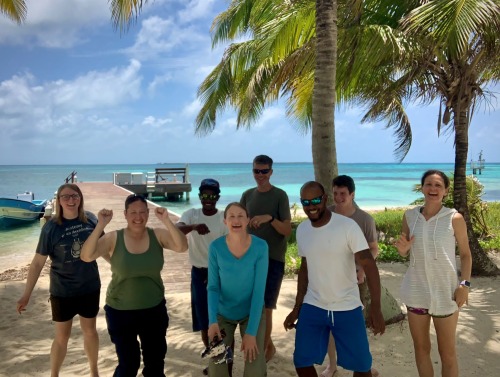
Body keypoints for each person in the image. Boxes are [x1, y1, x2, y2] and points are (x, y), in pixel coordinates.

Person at [284, 181, 385, 377]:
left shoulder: (347, 226)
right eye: (305, 201)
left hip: (347, 305)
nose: (311, 206)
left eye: (315, 200)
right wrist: (297, 308)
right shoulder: (303, 230)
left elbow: (369, 266)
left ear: (324, 199)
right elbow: (305, 269)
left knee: (363, 367)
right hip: (313, 305)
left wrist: (376, 307)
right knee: (301, 361)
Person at [80, 194, 188, 377]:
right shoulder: (114, 238)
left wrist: (166, 220)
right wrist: (100, 225)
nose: (138, 217)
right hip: (120, 312)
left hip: (153, 311)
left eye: (142, 212)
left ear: (148, 213)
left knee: (155, 364)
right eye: (133, 212)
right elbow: (86, 256)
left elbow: (182, 246)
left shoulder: (158, 235)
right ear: (125, 214)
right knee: (129, 365)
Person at [16, 183, 102, 377]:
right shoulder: (51, 228)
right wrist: (26, 295)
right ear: (59, 201)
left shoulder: (91, 219)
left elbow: (105, 246)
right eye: (66, 197)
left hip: (89, 286)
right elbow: (38, 263)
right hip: (62, 291)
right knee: (62, 337)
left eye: (75, 196)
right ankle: (54, 374)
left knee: (90, 331)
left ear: (80, 198)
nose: (71, 200)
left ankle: (94, 372)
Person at [395, 170, 472, 377]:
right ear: (422, 188)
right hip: (416, 291)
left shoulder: (454, 218)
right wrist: (402, 250)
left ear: (446, 191)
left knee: (447, 354)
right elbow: (405, 250)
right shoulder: (410, 216)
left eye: (438, 185)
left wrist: (464, 285)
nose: (433, 189)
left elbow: (466, 255)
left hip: (445, 292)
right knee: (421, 349)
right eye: (429, 184)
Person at [321, 175, 380, 377]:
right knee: (329, 325)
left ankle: (363, 364)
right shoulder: (325, 214)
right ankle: (332, 364)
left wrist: (362, 270)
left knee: (356, 328)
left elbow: (374, 249)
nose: (338, 198)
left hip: (356, 279)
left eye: (343, 194)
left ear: (352, 195)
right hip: (329, 279)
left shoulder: (365, 219)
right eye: (335, 193)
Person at [207, 202, 269, 377]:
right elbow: (212, 287)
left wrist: (250, 333)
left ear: (248, 220)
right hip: (222, 313)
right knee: (217, 367)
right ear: (225, 221)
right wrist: (212, 321)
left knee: (254, 368)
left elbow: (259, 292)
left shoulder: (260, 247)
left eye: (241, 215)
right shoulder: (215, 247)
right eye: (231, 216)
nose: (236, 220)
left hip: (251, 312)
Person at [240, 154, 292, 361]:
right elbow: (239, 226)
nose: (260, 175)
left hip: (273, 259)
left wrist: (270, 219)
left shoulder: (280, 196)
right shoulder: (247, 195)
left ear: (271, 172)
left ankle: (260, 354)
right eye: (256, 171)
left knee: (267, 308)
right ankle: (268, 347)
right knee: (252, 306)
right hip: (248, 260)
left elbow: (287, 230)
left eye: (264, 171)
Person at [176, 178, 228, 375]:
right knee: (204, 321)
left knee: (221, 318)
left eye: (212, 195)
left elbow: (229, 247)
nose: (208, 199)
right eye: (205, 195)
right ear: (199, 197)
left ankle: (222, 357)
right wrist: (195, 226)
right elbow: (176, 228)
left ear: (217, 197)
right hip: (198, 273)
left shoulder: (224, 219)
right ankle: (214, 358)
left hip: (219, 273)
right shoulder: (191, 214)